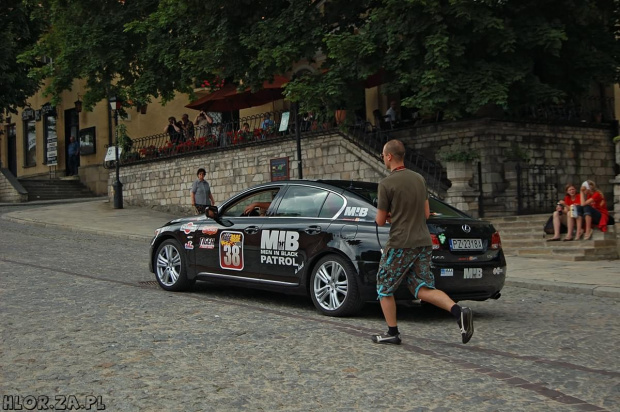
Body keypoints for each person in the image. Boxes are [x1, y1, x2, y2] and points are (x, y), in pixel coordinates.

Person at [372, 139, 474, 345]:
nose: (383, 158)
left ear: (389, 156)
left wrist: (393, 215)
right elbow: (426, 213)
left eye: (383, 155)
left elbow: (380, 220)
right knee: (421, 287)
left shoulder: (386, 184)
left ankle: (392, 332)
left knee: (384, 286)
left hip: (401, 242)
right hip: (423, 241)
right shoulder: (418, 178)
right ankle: (458, 310)